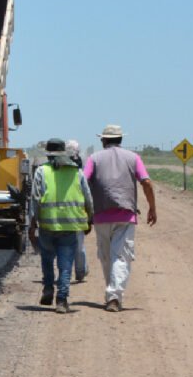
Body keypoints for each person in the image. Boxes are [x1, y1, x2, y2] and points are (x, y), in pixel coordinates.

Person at [83, 124, 158, 312]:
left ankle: (113, 295)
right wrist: (152, 208)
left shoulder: (94, 158)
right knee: (121, 257)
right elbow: (146, 182)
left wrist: (84, 211)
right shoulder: (133, 158)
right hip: (125, 215)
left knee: (106, 256)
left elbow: (82, 182)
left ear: (103, 140)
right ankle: (114, 296)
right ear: (121, 139)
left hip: (100, 215)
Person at [28, 137, 94, 314]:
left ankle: (48, 289)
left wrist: (32, 223)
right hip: (70, 226)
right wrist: (89, 219)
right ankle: (62, 300)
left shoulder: (42, 171)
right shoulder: (77, 172)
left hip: (47, 226)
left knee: (47, 259)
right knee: (65, 265)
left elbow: (35, 199)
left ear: (48, 155)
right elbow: (88, 198)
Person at [67, 139, 89, 282]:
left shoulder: (78, 170)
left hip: (69, 212)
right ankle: (80, 271)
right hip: (76, 212)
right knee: (78, 245)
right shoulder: (79, 170)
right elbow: (87, 194)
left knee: (70, 245)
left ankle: (75, 271)